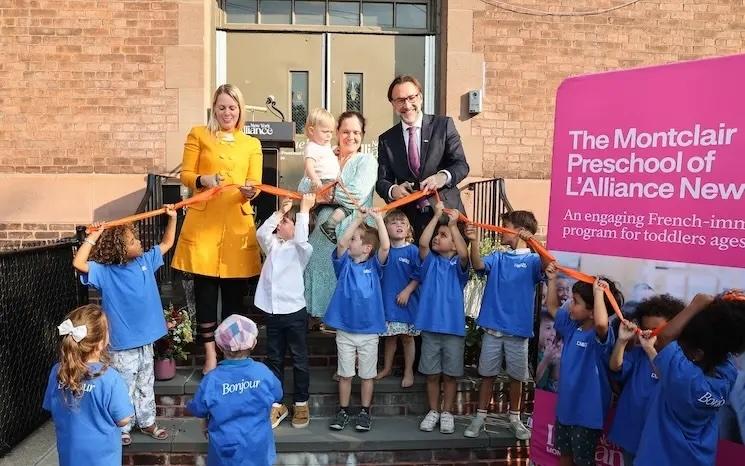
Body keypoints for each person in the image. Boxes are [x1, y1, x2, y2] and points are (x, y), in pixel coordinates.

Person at [171, 84, 263, 374]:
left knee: (235, 296)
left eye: (232, 107)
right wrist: (204, 179)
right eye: (222, 107)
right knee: (206, 293)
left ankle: (233, 354)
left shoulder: (252, 144)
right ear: (214, 108)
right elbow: (186, 174)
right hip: (205, 225)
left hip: (236, 226)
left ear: (240, 110)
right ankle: (210, 354)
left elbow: (256, 183)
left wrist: (251, 192)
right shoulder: (199, 134)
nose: (227, 113)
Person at [73, 207, 177, 446]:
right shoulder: (105, 273)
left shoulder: (145, 261)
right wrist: (94, 235)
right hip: (122, 344)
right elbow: (79, 262)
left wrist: (172, 218)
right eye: (133, 241)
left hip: (145, 341)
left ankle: (148, 421)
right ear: (120, 249)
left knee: (145, 383)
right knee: (125, 386)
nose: (139, 242)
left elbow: (167, 242)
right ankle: (123, 426)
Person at [634, 291, 745, 466]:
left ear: (696, 354)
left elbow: (664, 338)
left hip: (660, 458)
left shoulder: (684, 377)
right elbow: (725, 339)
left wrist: (695, 305)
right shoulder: (728, 372)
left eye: (681, 346)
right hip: (699, 459)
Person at [462, 210, 546, 440]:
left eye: (505, 226)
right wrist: (474, 241)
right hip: (492, 329)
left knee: (517, 377)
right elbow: (478, 265)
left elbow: (549, 264)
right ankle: (480, 417)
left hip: (518, 332)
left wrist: (534, 242)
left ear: (519, 231)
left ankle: (515, 419)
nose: (500, 230)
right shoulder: (498, 257)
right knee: (487, 375)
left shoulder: (532, 260)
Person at [545, 264, 624, 466]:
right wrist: (552, 279)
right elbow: (552, 308)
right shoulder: (572, 326)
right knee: (564, 456)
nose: (570, 304)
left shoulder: (602, 335)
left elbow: (601, 323)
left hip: (587, 416)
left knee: (583, 461)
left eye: (576, 302)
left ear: (592, 312)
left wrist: (598, 293)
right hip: (565, 410)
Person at [305, 111, 378, 323]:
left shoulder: (366, 161)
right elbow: (304, 187)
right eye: (346, 131)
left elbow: (356, 194)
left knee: (349, 281)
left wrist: (324, 194)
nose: (351, 137)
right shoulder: (325, 155)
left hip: (355, 232)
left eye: (356, 132)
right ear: (337, 132)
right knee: (318, 270)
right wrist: (318, 191)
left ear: (362, 135)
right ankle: (319, 320)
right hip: (321, 235)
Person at [376, 75, 470, 239]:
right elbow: (382, 181)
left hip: (446, 218)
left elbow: (461, 165)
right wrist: (393, 190)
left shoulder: (443, 125)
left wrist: (442, 177)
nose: (407, 105)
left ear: (420, 97)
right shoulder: (387, 139)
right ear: (393, 104)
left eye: (411, 98)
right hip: (407, 225)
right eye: (400, 100)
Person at [325, 207, 390, 433]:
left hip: (369, 332)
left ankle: (364, 412)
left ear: (367, 248)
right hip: (345, 330)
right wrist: (358, 219)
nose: (350, 241)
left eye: (355, 239)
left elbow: (385, 247)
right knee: (345, 373)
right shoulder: (344, 265)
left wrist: (379, 220)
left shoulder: (375, 266)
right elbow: (341, 244)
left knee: (367, 375)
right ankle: (343, 411)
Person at [43, 305, 133, 466]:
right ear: (100, 343)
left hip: (69, 458)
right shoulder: (110, 378)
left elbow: (52, 407)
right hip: (103, 460)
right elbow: (123, 419)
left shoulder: (57, 371)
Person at [187, 314, 282, 466]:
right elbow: (277, 394)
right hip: (258, 446)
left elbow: (199, 409)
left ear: (219, 347)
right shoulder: (263, 373)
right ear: (254, 343)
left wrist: (204, 425)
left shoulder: (212, 380)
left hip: (225, 448)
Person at [254, 193, 315, 430]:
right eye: (281, 222)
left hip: (294, 312)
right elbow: (261, 233)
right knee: (274, 359)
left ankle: (301, 402)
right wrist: (279, 212)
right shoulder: (273, 245)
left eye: (285, 222)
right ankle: (277, 404)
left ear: (298, 227)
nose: (280, 225)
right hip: (273, 312)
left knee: (299, 359)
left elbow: (301, 238)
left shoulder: (302, 249)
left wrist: (304, 210)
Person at [607, 294, 684, 466]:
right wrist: (621, 341)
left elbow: (671, 381)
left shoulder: (681, 361)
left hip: (661, 441)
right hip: (632, 435)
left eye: (657, 330)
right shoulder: (638, 354)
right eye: (645, 330)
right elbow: (615, 367)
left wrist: (651, 351)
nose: (650, 335)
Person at [415, 202, 469, 434]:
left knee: (450, 375)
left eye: (443, 236)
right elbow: (422, 243)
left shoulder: (458, 264)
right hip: (430, 329)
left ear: (454, 244)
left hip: (453, 330)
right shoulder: (430, 262)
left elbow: (465, 253)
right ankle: (433, 411)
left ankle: (447, 412)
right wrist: (436, 216)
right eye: (437, 234)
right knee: (432, 374)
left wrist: (454, 226)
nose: (437, 237)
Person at [376, 209, 420, 388]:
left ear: (409, 228)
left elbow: (419, 274)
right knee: (390, 338)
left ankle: (408, 371)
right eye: (394, 223)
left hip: (407, 303)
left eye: (403, 223)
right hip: (388, 302)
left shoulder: (413, 250)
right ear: (385, 228)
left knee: (407, 338)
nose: (399, 225)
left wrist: (408, 291)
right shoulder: (383, 250)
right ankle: (387, 368)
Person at [296, 108, 349, 243]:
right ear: (312, 130)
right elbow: (309, 165)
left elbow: (324, 155)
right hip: (323, 182)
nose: (329, 136)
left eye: (331, 132)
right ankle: (329, 224)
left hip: (331, 181)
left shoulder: (324, 145)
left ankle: (329, 223)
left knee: (345, 204)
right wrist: (315, 179)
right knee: (348, 203)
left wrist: (333, 150)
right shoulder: (311, 147)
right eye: (325, 132)